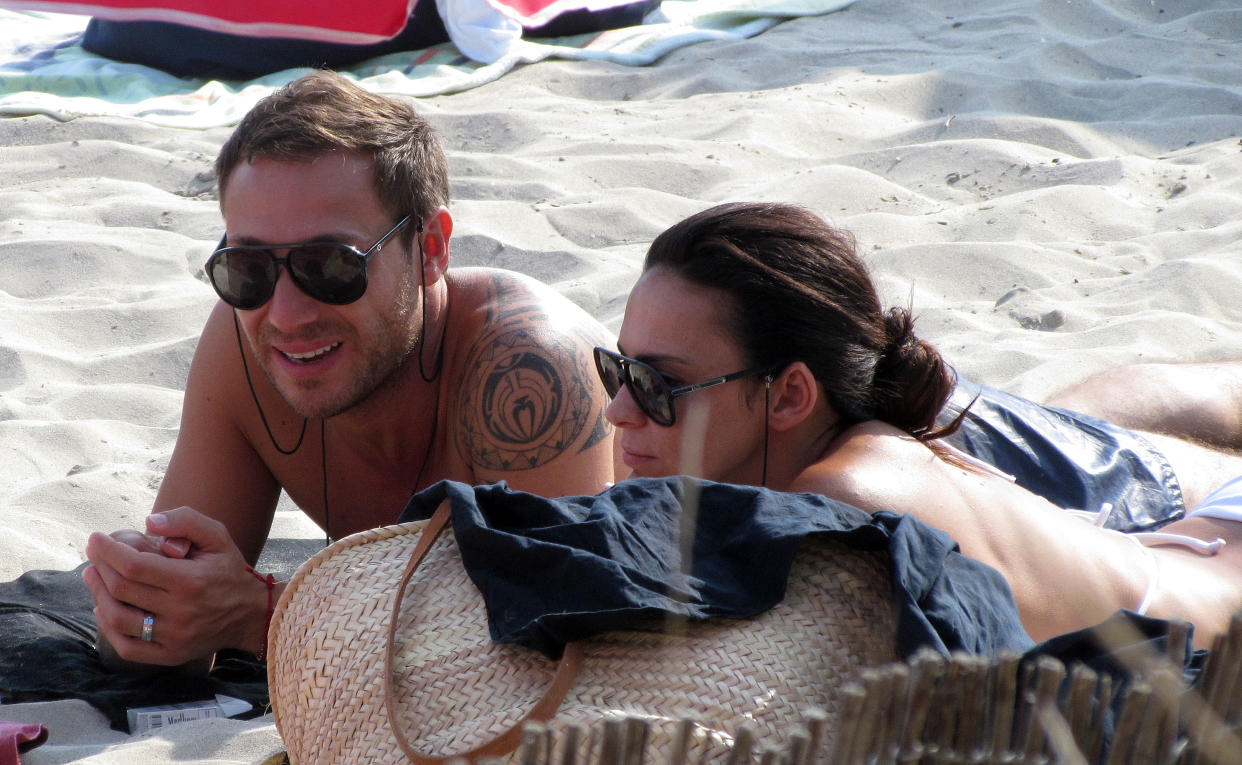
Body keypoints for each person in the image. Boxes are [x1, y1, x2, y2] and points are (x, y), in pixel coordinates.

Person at [82, 71, 619, 671]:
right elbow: (168, 638)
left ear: (431, 247)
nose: (285, 315)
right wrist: (140, 602)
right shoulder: (243, 339)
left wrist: (261, 617)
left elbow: (561, 648)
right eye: (247, 268)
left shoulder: (526, 369)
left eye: (331, 266)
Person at [596, 201, 1241, 647]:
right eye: (618, 370)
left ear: (789, 395)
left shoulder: (849, 499)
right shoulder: (850, 453)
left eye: (659, 385)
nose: (617, 409)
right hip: (1178, 543)